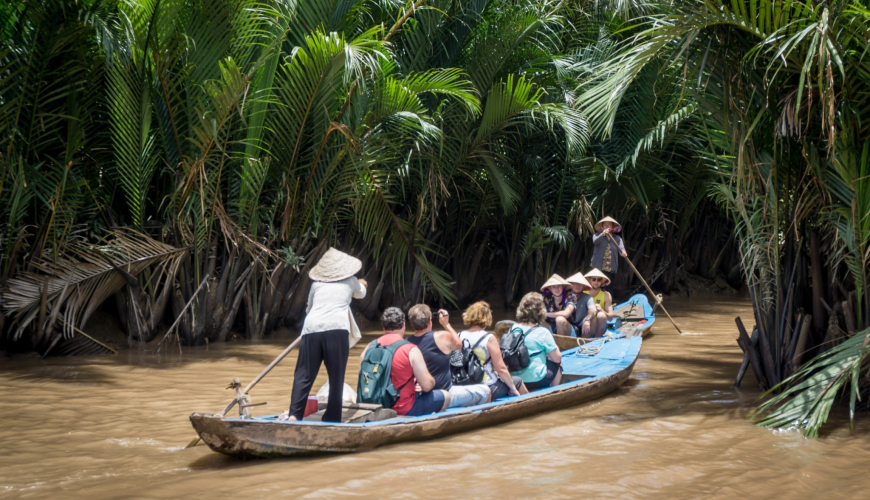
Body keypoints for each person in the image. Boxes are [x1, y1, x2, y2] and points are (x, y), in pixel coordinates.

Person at [280, 248, 368, 422]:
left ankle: (294, 415)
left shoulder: (316, 284)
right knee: (336, 376)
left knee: (303, 375)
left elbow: (309, 308)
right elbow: (361, 294)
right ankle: (332, 417)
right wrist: (363, 283)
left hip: (312, 328)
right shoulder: (351, 280)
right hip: (336, 329)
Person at [358, 307, 449, 416]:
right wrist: (431, 381)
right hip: (402, 408)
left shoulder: (369, 347)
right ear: (404, 326)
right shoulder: (410, 349)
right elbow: (427, 386)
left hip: (372, 406)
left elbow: (363, 379)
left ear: (383, 327)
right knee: (445, 396)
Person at [406, 304, 491, 407]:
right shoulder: (441, 336)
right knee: (486, 391)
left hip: (421, 394)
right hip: (445, 394)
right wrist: (446, 324)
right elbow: (459, 345)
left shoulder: (406, 343)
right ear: (430, 321)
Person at [458, 301, 528, 400]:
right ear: (487, 317)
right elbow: (501, 369)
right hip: (487, 385)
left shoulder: (459, 335)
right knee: (518, 381)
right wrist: (513, 388)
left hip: (465, 384)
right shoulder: (489, 338)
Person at [510, 292, 562, 391]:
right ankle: (554, 390)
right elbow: (557, 358)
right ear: (540, 312)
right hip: (537, 380)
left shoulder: (513, 328)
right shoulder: (543, 332)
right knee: (558, 360)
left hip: (515, 381)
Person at [590, 216, 627, 285]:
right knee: (596, 284)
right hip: (598, 267)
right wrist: (602, 234)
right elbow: (595, 241)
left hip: (610, 268)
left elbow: (621, 248)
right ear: (602, 226)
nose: (607, 226)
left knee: (608, 286)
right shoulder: (597, 235)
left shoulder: (617, 238)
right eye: (605, 225)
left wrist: (623, 252)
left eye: (609, 224)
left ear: (612, 227)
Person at [581, 268, 613, 338]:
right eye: (593, 279)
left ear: (602, 282)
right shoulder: (583, 293)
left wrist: (602, 310)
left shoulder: (606, 295)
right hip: (585, 322)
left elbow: (610, 317)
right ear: (589, 280)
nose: (596, 282)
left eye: (599, 279)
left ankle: (597, 339)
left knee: (601, 315)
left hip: (600, 325)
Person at [565, 272, 594, 337]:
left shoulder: (588, 297)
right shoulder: (564, 295)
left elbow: (592, 309)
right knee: (560, 320)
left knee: (597, 316)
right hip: (569, 325)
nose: (577, 286)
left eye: (580, 284)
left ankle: (586, 342)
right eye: (575, 283)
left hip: (583, 325)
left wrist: (587, 319)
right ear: (571, 284)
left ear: (583, 286)